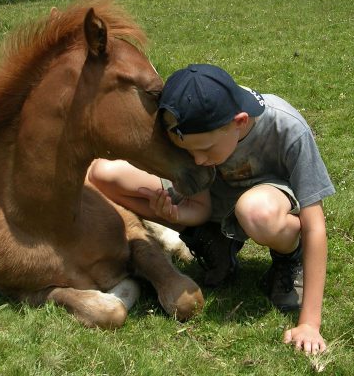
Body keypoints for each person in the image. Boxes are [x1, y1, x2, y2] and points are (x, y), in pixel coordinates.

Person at [88, 64, 335, 354]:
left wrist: (309, 323)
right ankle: (212, 241)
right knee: (103, 175)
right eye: (189, 152)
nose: (198, 159)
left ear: (240, 122)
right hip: (217, 202)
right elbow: (201, 204)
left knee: (256, 212)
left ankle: (288, 257)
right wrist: (177, 216)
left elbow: (315, 224)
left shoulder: (288, 128)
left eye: (205, 151)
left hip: (266, 204)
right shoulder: (191, 122)